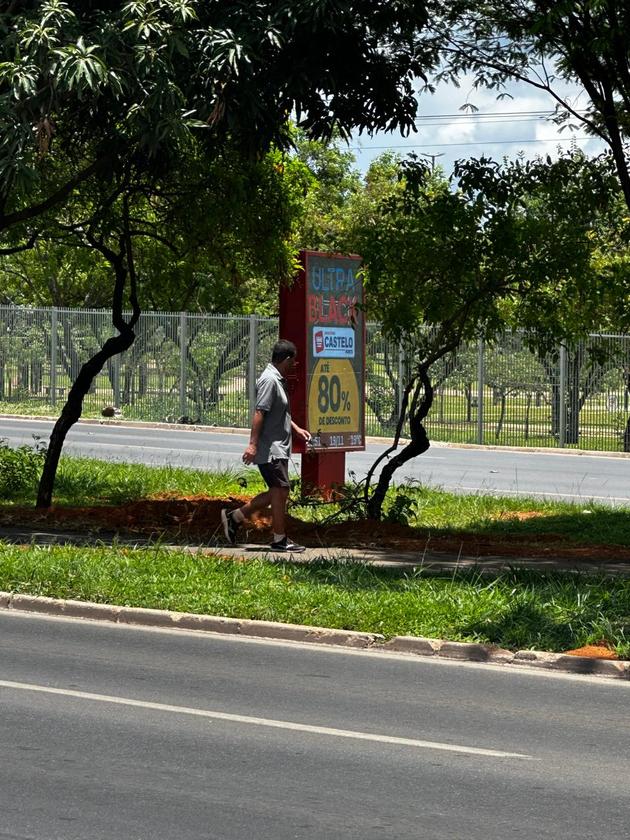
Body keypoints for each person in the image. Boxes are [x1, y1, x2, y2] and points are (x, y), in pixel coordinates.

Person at [221, 339, 311, 552]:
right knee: (280, 491)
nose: (294, 365)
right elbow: (260, 412)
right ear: (287, 359)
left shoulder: (277, 379)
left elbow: (278, 412)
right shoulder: (270, 380)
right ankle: (279, 540)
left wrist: (296, 429)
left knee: (278, 491)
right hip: (271, 449)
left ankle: (234, 516)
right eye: (293, 361)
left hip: (278, 446)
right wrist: (252, 445)